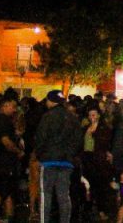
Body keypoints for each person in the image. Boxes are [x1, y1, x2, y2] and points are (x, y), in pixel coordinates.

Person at [34, 90, 82, 223]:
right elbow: (78, 140)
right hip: (66, 162)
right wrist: (71, 156)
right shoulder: (73, 118)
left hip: (49, 161)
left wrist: (40, 155)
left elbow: (40, 139)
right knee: (64, 196)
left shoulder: (47, 117)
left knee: (46, 195)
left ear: (51, 101)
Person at [0, 96, 24, 220]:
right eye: (12, 107)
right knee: (7, 193)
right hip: (4, 163)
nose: (14, 110)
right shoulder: (3, 120)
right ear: (5, 106)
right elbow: (6, 141)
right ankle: (8, 218)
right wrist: (18, 151)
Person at [81, 104, 113, 220]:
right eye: (90, 115)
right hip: (87, 159)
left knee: (100, 186)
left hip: (99, 160)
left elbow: (105, 143)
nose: (91, 117)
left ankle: (102, 210)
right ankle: (87, 209)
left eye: (94, 114)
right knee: (88, 185)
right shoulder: (85, 128)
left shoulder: (103, 128)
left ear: (99, 115)